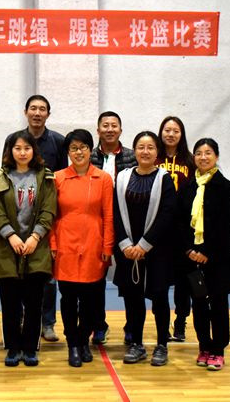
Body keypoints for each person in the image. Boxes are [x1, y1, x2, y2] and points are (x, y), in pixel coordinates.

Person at [0, 130, 57, 367]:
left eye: (27, 148)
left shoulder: (45, 176)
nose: (22, 152)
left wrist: (35, 237)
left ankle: (30, 347)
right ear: (10, 151)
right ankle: (13, 347)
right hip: (7, 248)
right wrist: (11, 236)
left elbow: (49, 209)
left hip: (36, 248)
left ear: (33, 151)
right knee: (10, 303)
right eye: (17, 148)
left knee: (34, 302)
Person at [50, 129, 114, 367]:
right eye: (74, 148)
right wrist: (53, 244)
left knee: (90, 300)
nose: (79, 152)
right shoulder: (57, 178)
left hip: (93, 246)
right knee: (68, 299)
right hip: (65, 246)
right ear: (68, 152)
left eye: (83, 147)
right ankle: (73, 344)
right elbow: (51, 216)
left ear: (90, 149)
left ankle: (84, 339)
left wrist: (107, 246)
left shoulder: (103, 178)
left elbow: (108, 215)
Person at [7, 94, 67, 342]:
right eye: (33, 108)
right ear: (25, 112)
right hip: (18, 217)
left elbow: (62, 177)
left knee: (46, 275)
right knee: (21, 277)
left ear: (48, 114)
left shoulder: (58, 141)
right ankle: (23, 319)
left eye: (42, 109)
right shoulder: (15, 139)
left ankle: (48, 322)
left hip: (47, 215)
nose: (37, 113)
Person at [113, 131, 176, 367]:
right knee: (133, 299)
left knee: (159, 298)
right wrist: (125, 244)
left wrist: (144, 245)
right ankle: (136, 344)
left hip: (157, 250)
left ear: (157, 152)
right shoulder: (122, 178)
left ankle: (161, 345)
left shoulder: (164, 179)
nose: (145, 151)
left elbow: (167, 214)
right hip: (128, 251)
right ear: (135, 151)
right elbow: (115, 213)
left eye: (150, 147)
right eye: (141, 147)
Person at [178, 138, 230, 371]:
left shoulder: (226, 187)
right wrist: (189, 250)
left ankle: (218, 349)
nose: (203, 157)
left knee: (218, 304)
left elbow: (225, 225)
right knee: (199, 304)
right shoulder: (187, 187)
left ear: (216, 156)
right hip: (192, 258)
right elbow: (180, 223)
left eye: (208, 153)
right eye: (199, 153)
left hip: (217, 257)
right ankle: (204, 345)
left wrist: (206, 252)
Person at [89, 111, 137, 345]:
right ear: (98, 130)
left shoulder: (132, 156)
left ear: (120, 130)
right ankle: (98, 325)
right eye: (105, 125)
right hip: (96, 226)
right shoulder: (88, 156)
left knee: (129, 279)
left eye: (114, 125)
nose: (109, 129)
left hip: (125, 226)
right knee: (95, 279)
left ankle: (132, 326)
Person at [156, 116, 195, 342]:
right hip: (159, 227)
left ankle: (181, 320)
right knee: (160, 278)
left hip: (183, 229)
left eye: (175, 131)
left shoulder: (189, 161)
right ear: (161, 132)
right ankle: (160, 323)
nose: (171, 134)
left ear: (182, 134)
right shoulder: (154, 157)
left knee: (183, 280)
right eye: (167, 130)